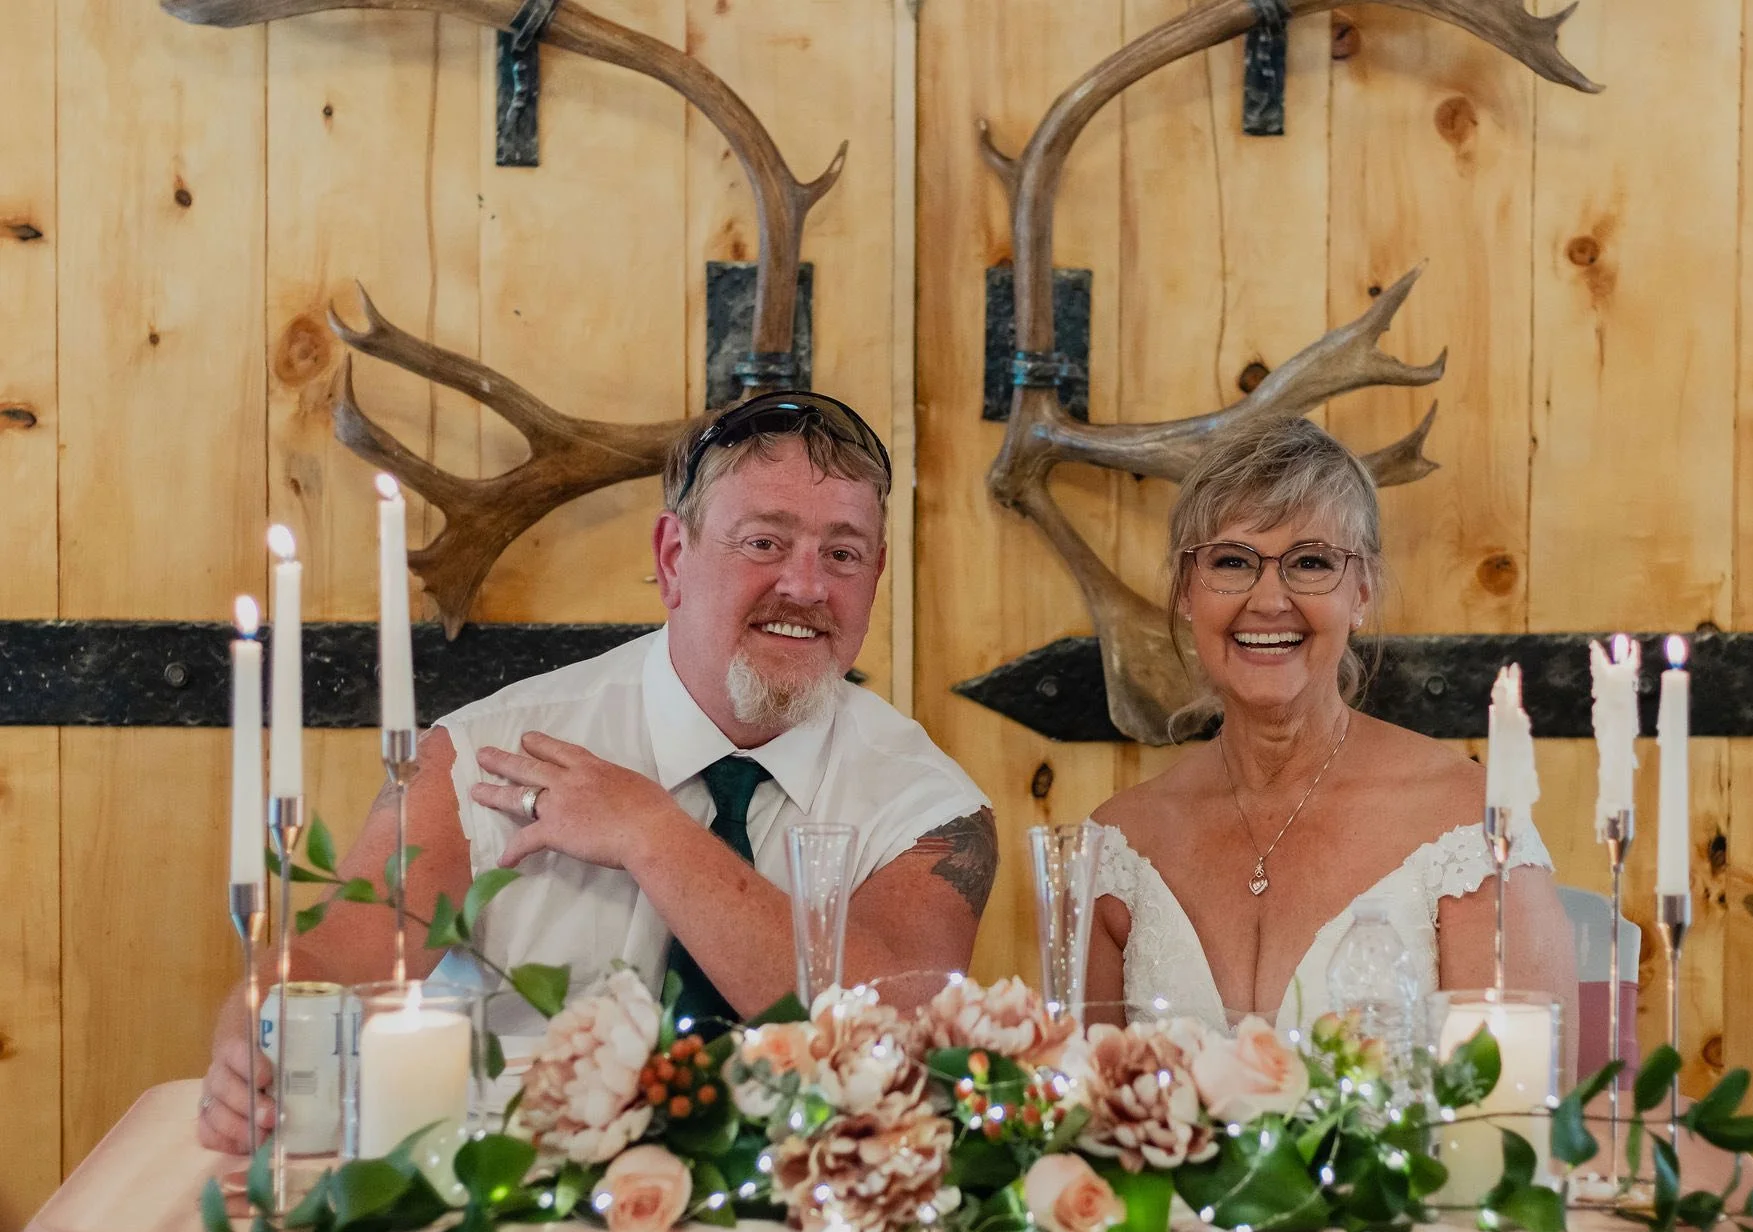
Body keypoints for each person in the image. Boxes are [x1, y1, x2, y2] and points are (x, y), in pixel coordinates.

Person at [198, 391, 995, 1153]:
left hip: (815, 1226)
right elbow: (338, 957)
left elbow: (905, 1038)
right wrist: (254, 1035)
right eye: (764, 541)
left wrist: (651, 833)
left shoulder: (927, 807)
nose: (806, 584)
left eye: (843, 553)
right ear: (673, 556)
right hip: (511, 1220)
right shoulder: (481, 753)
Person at [1085, 416, 1576, 1065]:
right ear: (1185, 592)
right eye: (1232, 561)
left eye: (1310, 562)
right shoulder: (1118, 843)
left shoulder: (1471, 824)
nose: (1268, 599)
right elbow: (1073, 1114)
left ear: (1362, 589)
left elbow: (1518, 1128)